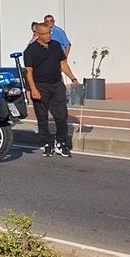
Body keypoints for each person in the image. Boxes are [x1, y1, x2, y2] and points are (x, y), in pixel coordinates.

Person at [24, 20, 79, 156]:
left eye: (49, 32)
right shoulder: (30, 50)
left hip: (56, 85)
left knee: (61, 115)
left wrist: (73, 78)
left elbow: (63, 64)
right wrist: (33, 89)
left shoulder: (55, 46)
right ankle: (46, 142)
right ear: (37, 34)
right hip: (39, 86)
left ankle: (61, 142)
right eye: (45, 33)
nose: (49, 35)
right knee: (42, 117)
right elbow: (28, 72)